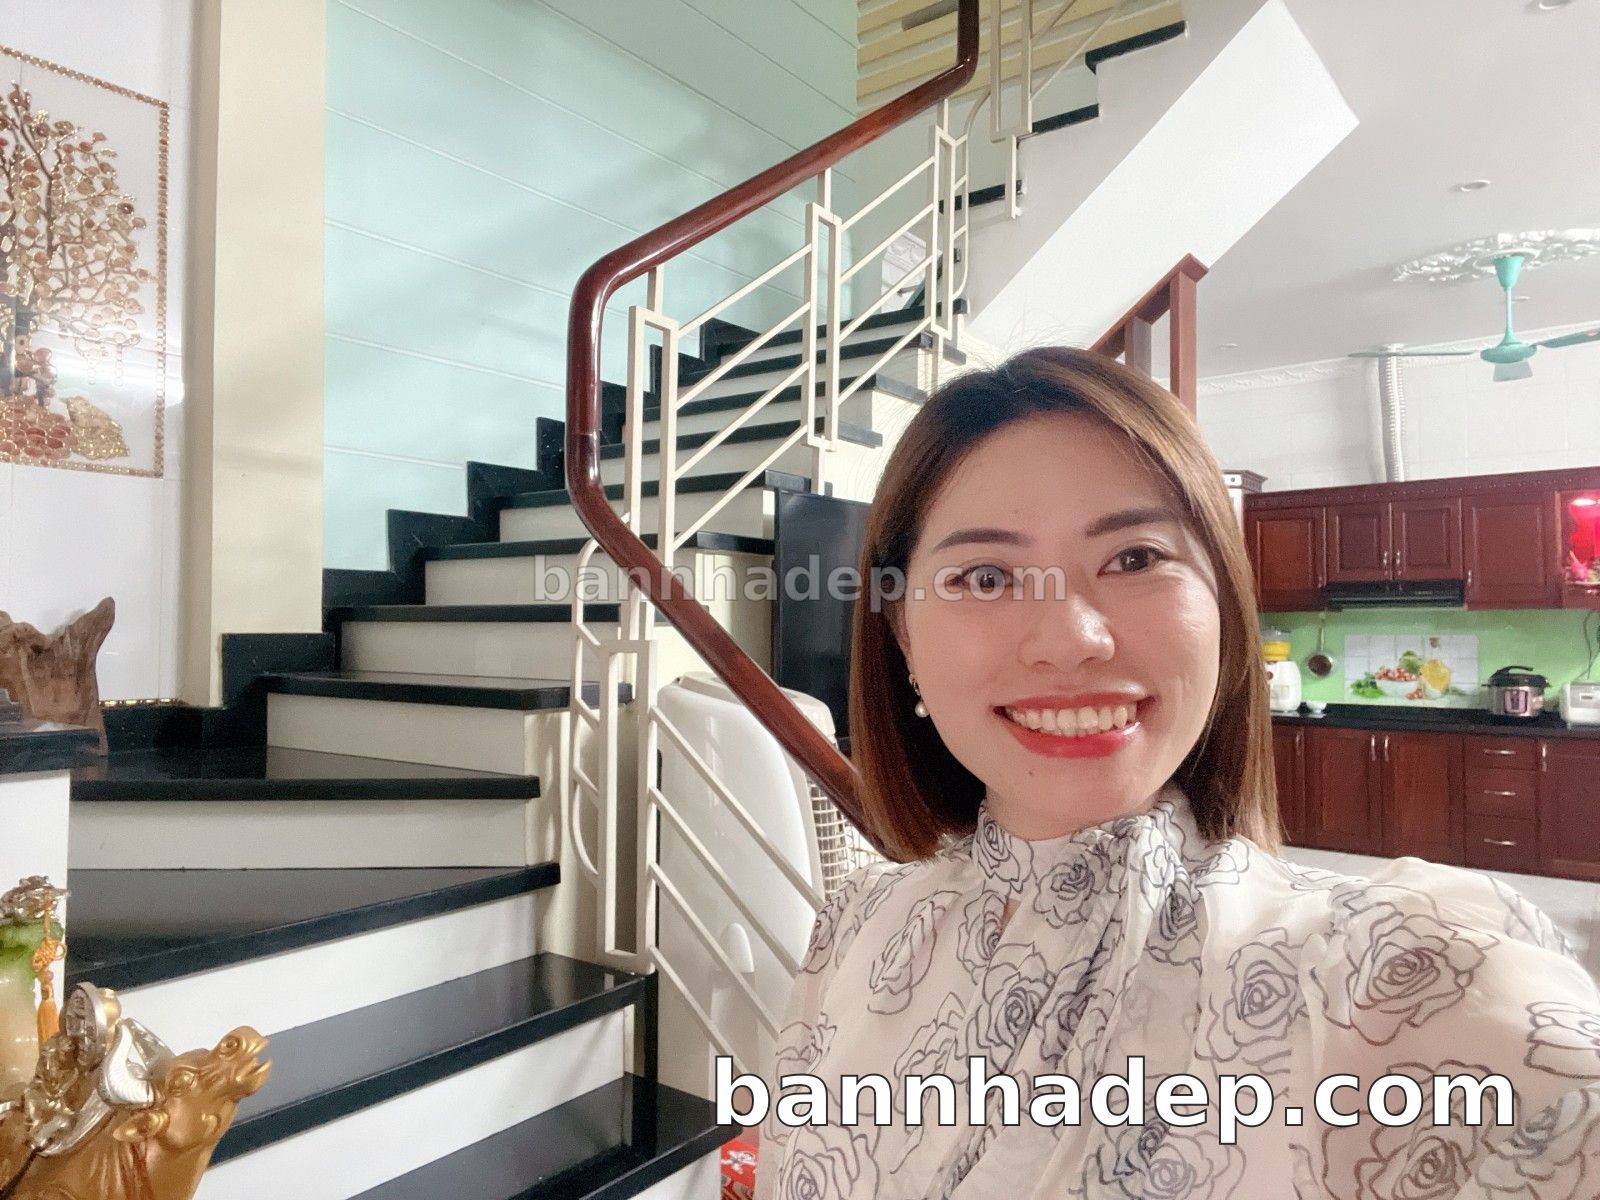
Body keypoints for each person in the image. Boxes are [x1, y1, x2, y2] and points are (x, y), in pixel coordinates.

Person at [754, 347, 1600, 1199]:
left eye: (1134, 558)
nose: (1071, 639)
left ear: (1222, 604)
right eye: (985, 576)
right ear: (902, 632)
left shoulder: (1395, 980)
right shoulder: (854, 930)